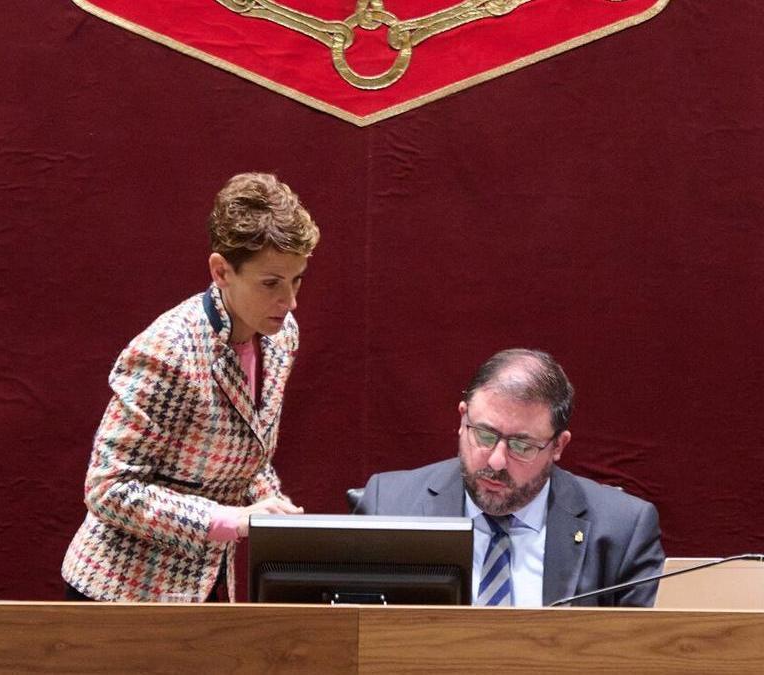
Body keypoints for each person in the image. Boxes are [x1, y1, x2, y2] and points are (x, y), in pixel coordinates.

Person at [62, 172, 320, 602]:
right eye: (271, 283)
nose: (290, 301)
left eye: (297, 280)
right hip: (120, 593)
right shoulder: (168, 351)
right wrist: (233, 520)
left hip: (203, 586)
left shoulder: (281, 333)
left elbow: (248, 455)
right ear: (221, 271)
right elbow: (108, 489)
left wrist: (272, 508)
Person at [354, 348, 665, 607]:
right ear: (463, 419)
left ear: (558, 446)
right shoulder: (390, 505)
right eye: (486, 435)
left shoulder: (623, 530)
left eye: (521, 445)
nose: (497, 460)